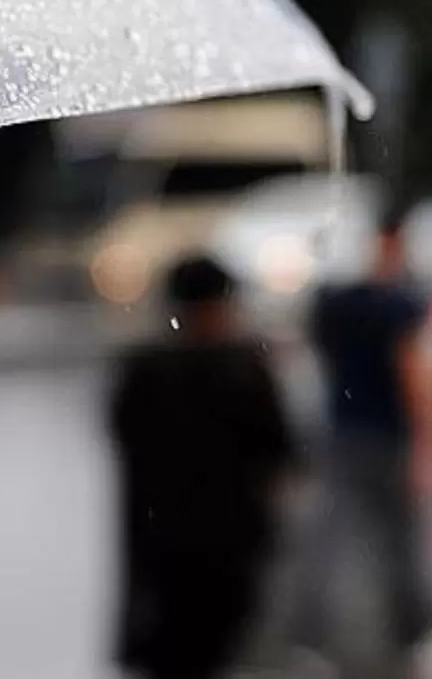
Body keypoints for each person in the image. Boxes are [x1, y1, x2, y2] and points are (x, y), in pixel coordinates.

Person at [110, 255, 295, 679]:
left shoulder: (144, 369)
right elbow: (278, 453)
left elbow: (122, 436)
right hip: (223, 548)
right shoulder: (241, 368)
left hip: (161, 550)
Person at [293, 210, 432, 674]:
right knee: (399, 545)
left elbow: (319, 354)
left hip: (343, 434)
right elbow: (411, 374)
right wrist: (423, 442)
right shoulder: (398, 305)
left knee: (331, 541)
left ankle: (312, 641)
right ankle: (409, 637)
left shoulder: (334, 302)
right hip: (387, 437)